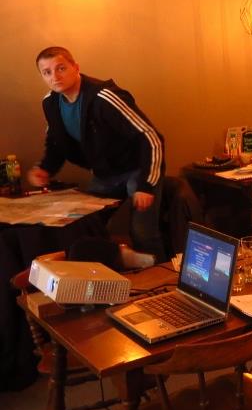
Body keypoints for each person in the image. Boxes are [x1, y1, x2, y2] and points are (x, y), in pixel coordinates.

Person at [28, 47, 167, 260]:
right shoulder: (50, 103)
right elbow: (57, 142)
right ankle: (116, 264)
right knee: (87, 225)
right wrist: (45, 168)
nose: (55, 76)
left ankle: (159, 271)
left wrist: (146, 185)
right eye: (47, 72)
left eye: (61, 68)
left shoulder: (104, 97)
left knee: (142, 231)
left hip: (138, 169)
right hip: (105, 173)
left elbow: (151, 137)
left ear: (76, 68)